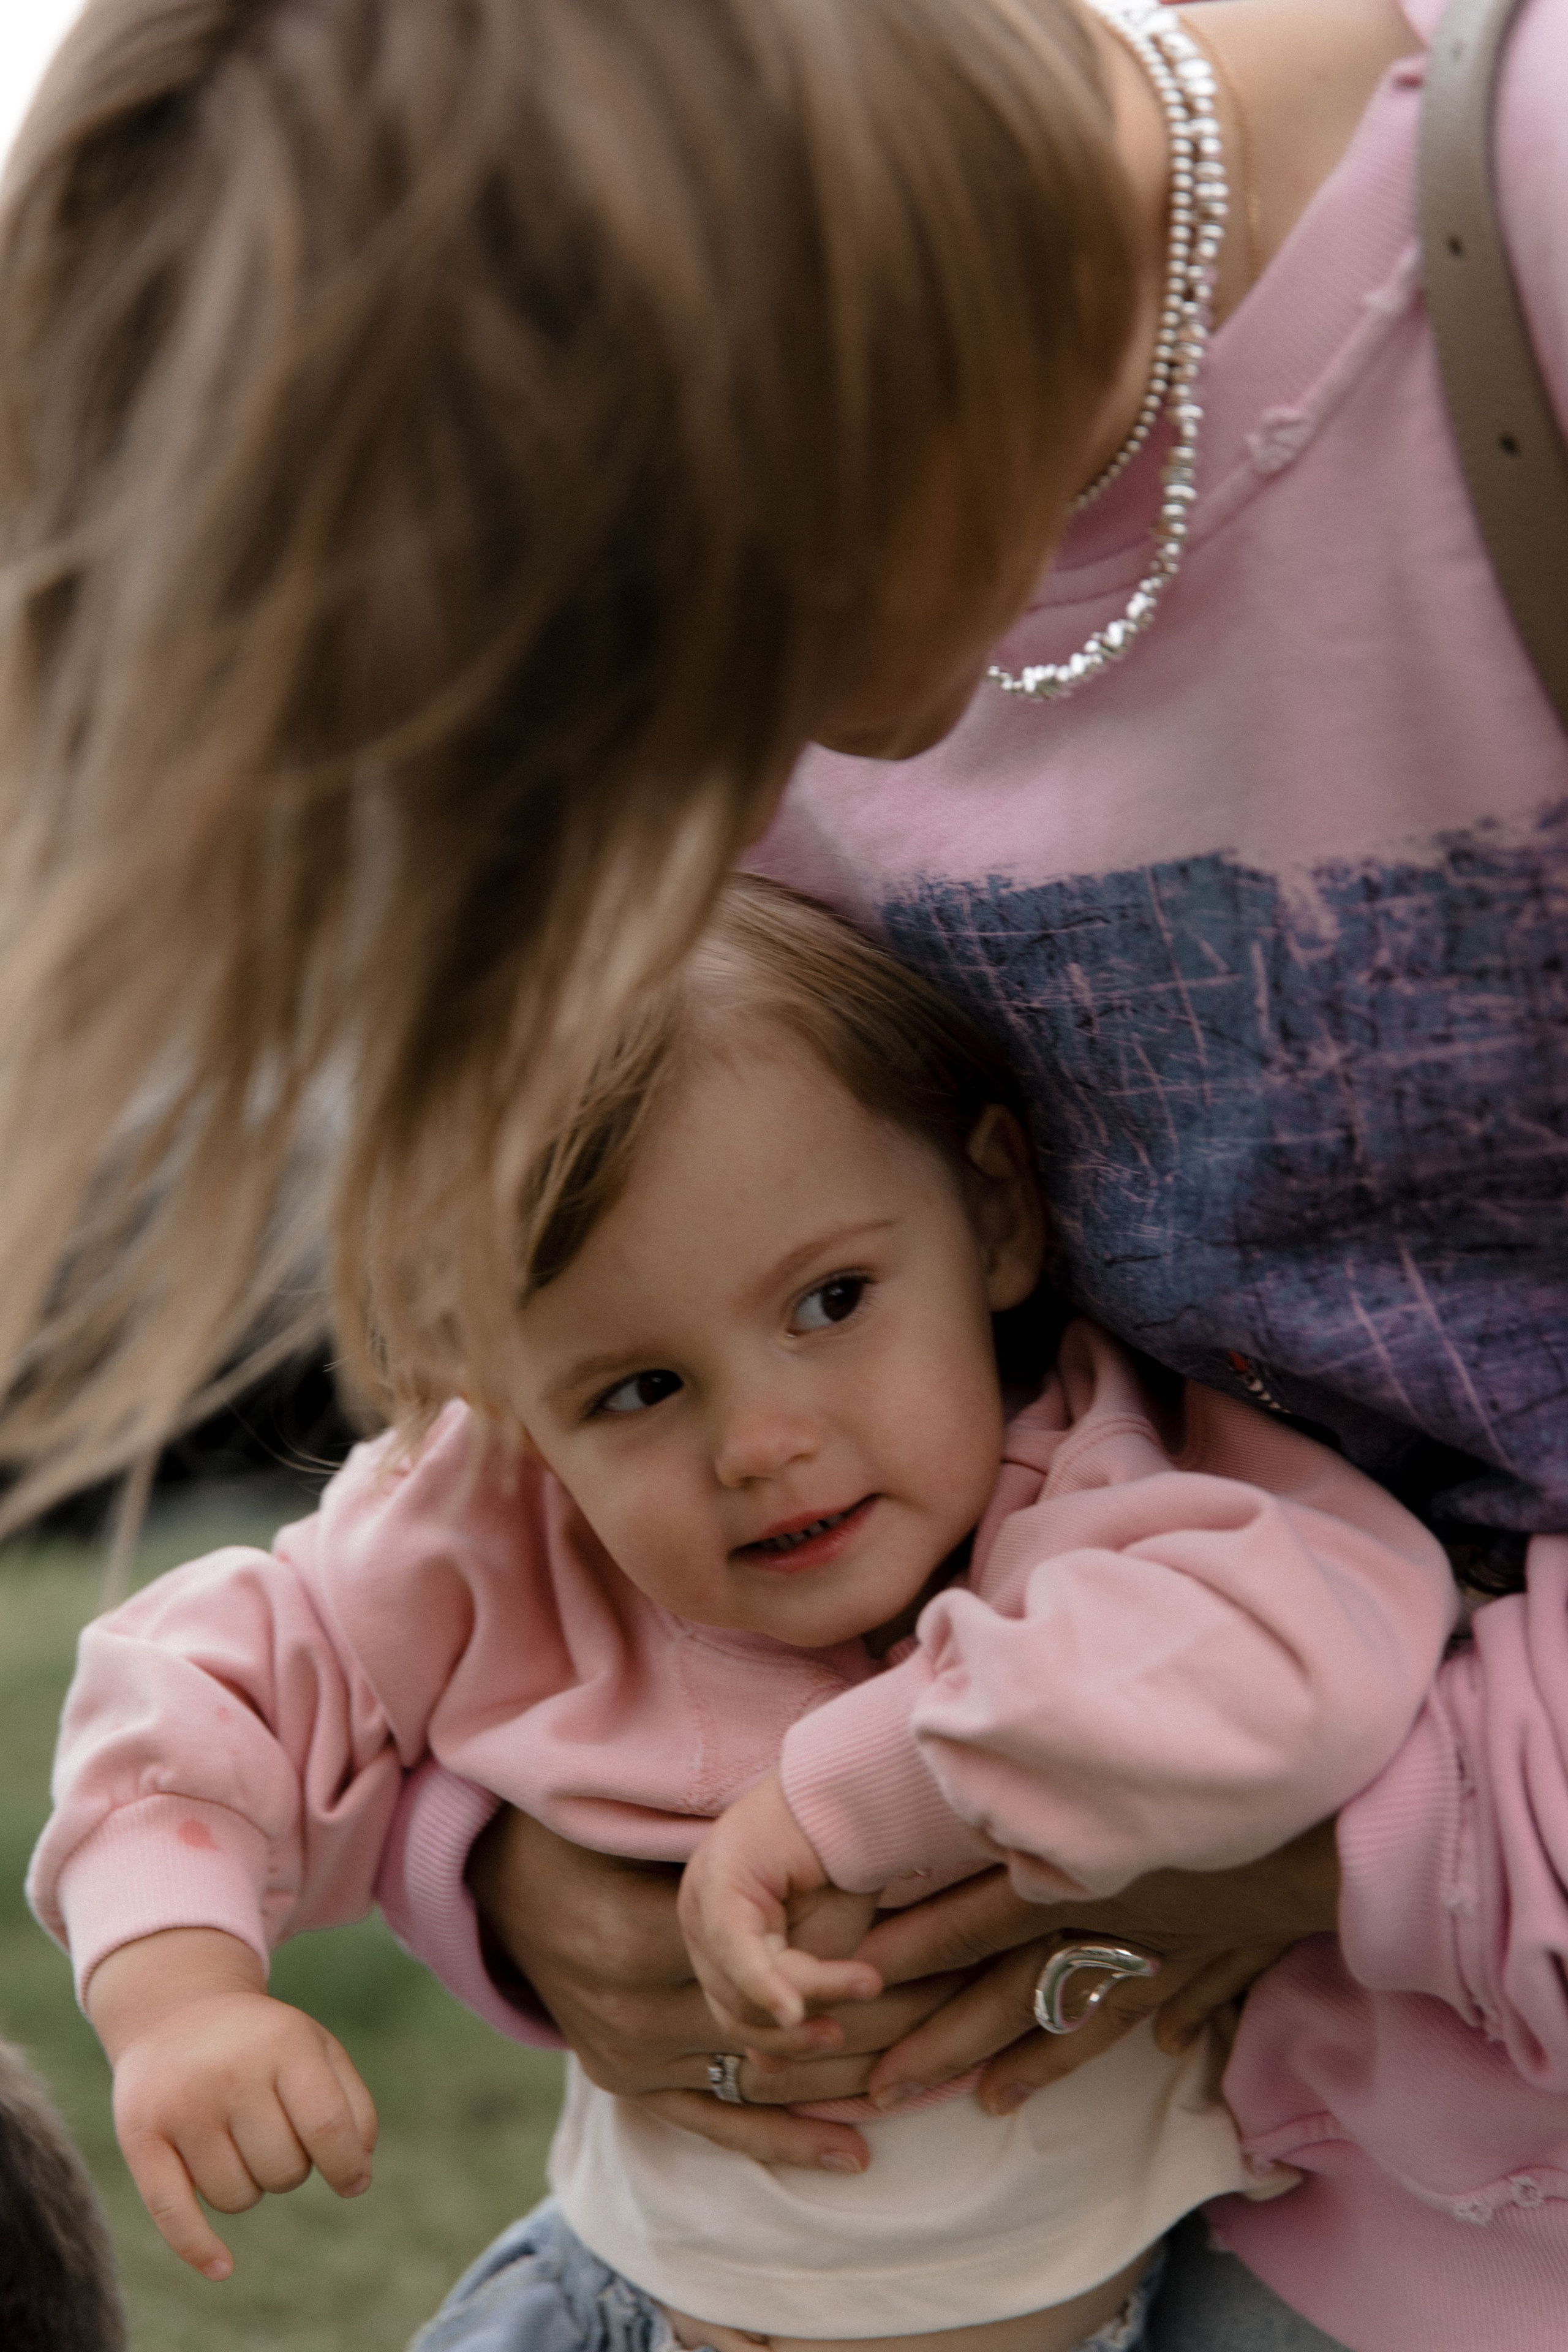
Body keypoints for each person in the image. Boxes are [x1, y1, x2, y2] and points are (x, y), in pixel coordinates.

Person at [0, 0, 1563, 2345]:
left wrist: (1339, 1850)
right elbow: (473, 1518)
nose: (632, 783)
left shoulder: (1512, 253)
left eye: (585, 659)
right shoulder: (710, 647)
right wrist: (514, 1873)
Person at [29, 881, 1457, 2352]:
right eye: (636, 1390)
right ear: (506, 1402)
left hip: (1117, 2308)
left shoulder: (1094, 1488)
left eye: (829, 1300)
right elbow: (198, 1681)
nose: (759, 1442)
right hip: (612, 2306)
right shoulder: (502, 1537)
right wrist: (177, 1993)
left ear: (993, 1212)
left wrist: (856, 1796)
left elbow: (1293, 1667)